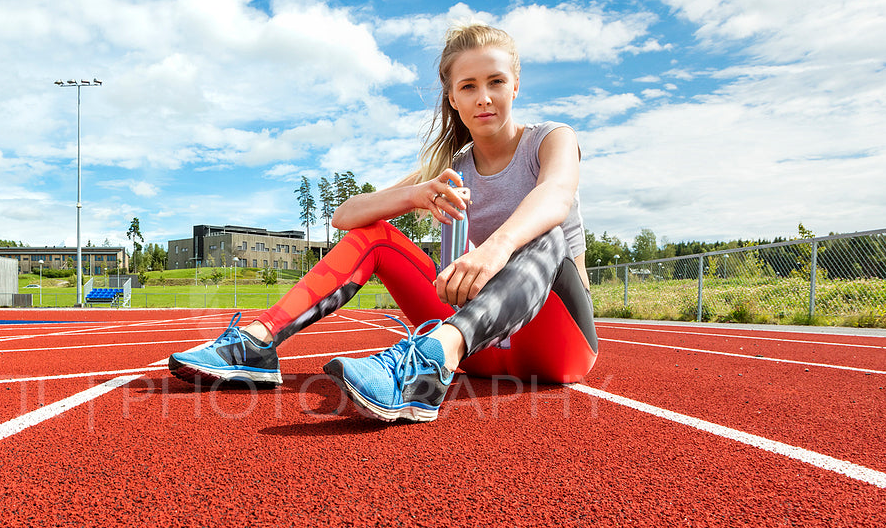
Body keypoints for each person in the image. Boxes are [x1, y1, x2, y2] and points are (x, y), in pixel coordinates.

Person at [168, 24, 599, 422]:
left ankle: (426, 364)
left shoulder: (550, 138)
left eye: (496, 82)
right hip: (479, 345)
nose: (483, 97)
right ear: (453, 97)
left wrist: (495, 249)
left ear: (516, 85)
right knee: (374, 234)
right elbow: (345, 216)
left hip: (556, 344)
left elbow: (555, 196)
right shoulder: (453, 166)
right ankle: (258, 342)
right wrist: (414, 195)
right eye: (469, 86)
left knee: (548, 232)